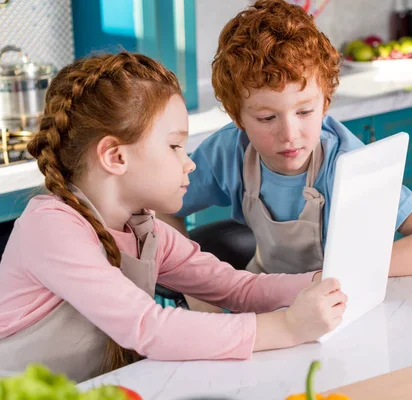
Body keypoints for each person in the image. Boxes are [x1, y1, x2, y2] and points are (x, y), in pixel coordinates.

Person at [0, 51, 346, 382]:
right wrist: (287, 327)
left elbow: (236, 288)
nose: (189, 162)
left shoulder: (143, 229)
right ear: (116, 157)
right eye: (174, 146)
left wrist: (322, 283)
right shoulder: (51, 227)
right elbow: (148, 327)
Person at [159, 0, 412, 277]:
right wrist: (194, 281)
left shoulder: (345, 164)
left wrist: (355, 271)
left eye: (305, 112)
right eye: (267, 118)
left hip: (337, 300)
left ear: (325, 103)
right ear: (237, 117)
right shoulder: (229, 150)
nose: (290, 135)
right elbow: (161, 206)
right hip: (264, 290)